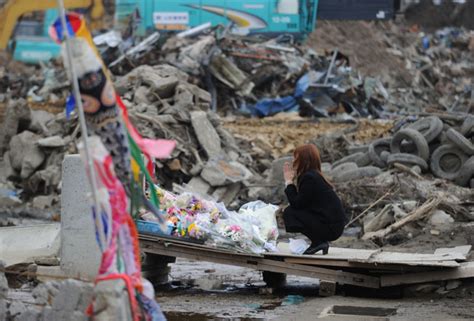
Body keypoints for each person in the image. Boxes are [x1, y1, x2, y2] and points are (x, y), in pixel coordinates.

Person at [282, 144, 346, 255]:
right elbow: (302, 203)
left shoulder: (309, 178)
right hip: (332, 224)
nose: (293, 161)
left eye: (295, 158)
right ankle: (319, 241)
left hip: (331, 227)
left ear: (303, 160)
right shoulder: (313, 175)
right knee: (291, 211)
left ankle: (319, 242)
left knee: (290, 212)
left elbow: (296, 204)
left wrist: (288, 182)